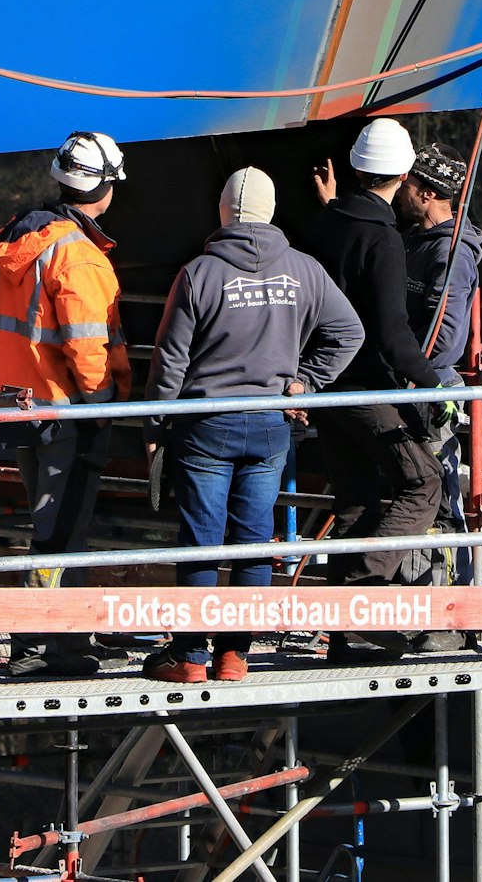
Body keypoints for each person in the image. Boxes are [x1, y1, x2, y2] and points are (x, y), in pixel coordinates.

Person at [138, 168, 364, 684]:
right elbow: (349, 330)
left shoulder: (198, 274)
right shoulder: (304, 270)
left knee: (202, 542)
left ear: (223, 212)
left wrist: (154, 423)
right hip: (269, 425)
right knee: (253, 540)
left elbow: (170, 362)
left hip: (205, 425)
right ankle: (235, 655)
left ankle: (191, 657)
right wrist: (306, 382)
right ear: (271, 210)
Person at [304, 117, 460, 657]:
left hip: (322, 385)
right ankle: (363, 603)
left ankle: (344, 634)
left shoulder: (323, 224)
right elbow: (393, 337)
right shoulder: (383, 238)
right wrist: (435, 386)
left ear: (354, 165)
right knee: (425, 482)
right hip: (364, 384)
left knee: (356, 502)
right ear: (403, 173)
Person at [0, 131, 133, 677]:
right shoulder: (79, 257)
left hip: (17, 404)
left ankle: (71, 633)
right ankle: (40, 642)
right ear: (107, 187)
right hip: (66, 411)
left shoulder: (18, 240)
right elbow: (88, 347)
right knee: (60, 529)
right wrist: (104, 407)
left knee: (55, 520)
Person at [396, 143, 482, 571]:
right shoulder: (419, 242)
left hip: (428, 391)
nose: (401, 190)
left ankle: (443, 608)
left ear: (427, 194)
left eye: (408, 184)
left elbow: (446, 340)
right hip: (414, 384)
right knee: (416, 492)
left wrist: (410, 370)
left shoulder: (451, 254)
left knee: (436, 499)